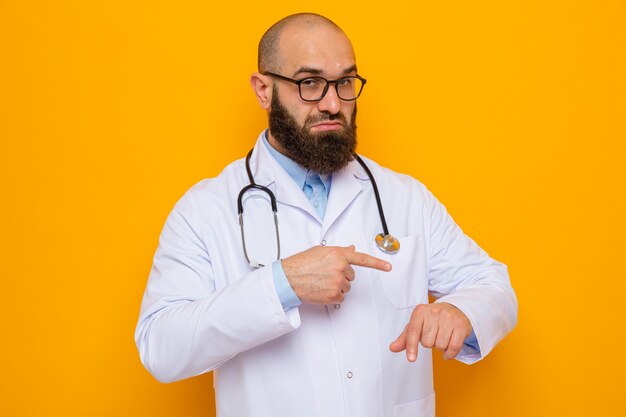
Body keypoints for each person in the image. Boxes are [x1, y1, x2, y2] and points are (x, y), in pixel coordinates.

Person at [135, 12, 517, 417]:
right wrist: (281, 285)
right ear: (263, 90)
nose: (334, 103)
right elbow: (161, 345)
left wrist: (461, 312)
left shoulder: (404, 197)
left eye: (346, 83)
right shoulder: (205, 209)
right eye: (310, 83)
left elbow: (493, 285)